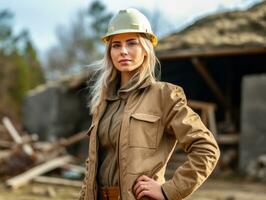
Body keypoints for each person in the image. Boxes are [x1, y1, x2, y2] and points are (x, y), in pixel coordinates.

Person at [79, 8, 220, 200]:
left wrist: (169, 190)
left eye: (132, 43)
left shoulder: (164, 96)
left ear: (146, 49)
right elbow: (93, 164)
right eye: (116, 45)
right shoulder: (103, 102)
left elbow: (206, 148)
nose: (124, 51)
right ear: (109, 52)